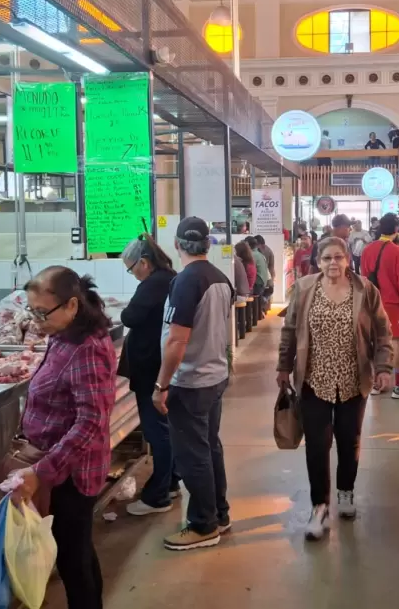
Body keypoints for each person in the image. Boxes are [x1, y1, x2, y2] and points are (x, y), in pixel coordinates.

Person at [9, 267, 116, 609]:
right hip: (60, 465)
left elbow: (91, 422)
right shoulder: (66, 334)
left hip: (72, 471)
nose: (37, 320)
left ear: (72, 305)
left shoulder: (85, 349)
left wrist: (41, 472)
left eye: (42, 312)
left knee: (73, 559)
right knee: (78, 549)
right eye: (32, 311)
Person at [276, 236, 393, 540]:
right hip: (313, 379)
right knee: (317, 444)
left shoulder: (364, 290)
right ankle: (320, 506)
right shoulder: (304, 289)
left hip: (354, 379)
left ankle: (345, 491)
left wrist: (383, 367)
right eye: (327, 258)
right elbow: (289, 330)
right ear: (318, 261)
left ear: (347, 259)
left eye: (338, 257)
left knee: (348, 440)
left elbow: (383, 330)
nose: (333, 264)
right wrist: (283, 366)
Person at [152, 217, 233, 551]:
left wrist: (161, 385)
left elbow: (176, 341)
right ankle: (219, 514)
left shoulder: (186, 281)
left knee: (192, 456)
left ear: (176, 245)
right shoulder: (221, 278)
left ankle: (203, 525)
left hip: (191, 380)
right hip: (215, 375)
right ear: (208, 244)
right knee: (210, 447)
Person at [118, 236, 182, 517]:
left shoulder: (153, 284)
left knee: (158, 431)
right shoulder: (169, 278)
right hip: (160, 364)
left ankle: (158, 496)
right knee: (165, 427)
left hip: (150, 368)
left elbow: (129, 317)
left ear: (144, 263)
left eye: (131, 269)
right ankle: (171, 482)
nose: (133, 274)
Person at [360, 212, 399, 400]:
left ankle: (378, 384)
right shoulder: (398, 251)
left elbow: (364, 278)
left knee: (377, 342)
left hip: (373, 304)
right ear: (397, 229)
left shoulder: (367, 250)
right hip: (396, 305)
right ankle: (398, 385)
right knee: (397, 342)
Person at [246, 236, 270, 310]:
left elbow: (247, 270)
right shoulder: (260, 254)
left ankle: (248, 315)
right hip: (263, 283)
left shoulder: (252, 255)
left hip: (257, 285)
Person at [254, 235, 275, 307]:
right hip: (265, 278)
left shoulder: (267, 252)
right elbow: (272, 267)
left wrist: (271, 280)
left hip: (262, 280)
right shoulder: (268, 251)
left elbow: (271, 267)